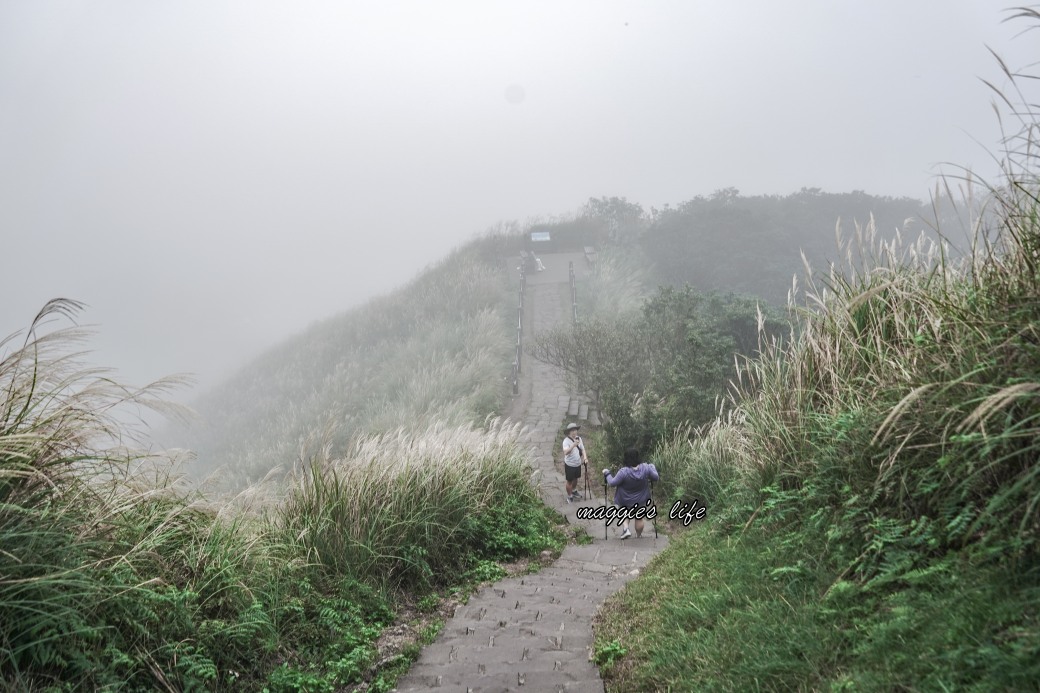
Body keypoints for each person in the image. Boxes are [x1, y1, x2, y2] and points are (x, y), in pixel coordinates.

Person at [603, 447, 659, 539]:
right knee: (639, 517)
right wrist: (652, 467)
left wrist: (607, 473)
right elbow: (656, 477)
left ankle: (626, 529)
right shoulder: (646, 468)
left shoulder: (623, 472)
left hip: (625, 500)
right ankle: (638, 535)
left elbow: (612, 483)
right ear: (637, 457)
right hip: (641, 500)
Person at [562, 422, 588, 503]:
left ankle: (573, 491)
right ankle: (569, 496)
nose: (574, 432)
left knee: (576, 479)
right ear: (569, 432)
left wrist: (585, 458)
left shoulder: (579, 438)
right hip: (569, 464)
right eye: (572, 430)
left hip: (577, 463)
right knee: (569, 481)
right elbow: (565, 452)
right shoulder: (566, 441)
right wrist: (573, 445)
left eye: (575, 430)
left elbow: (582, 449)